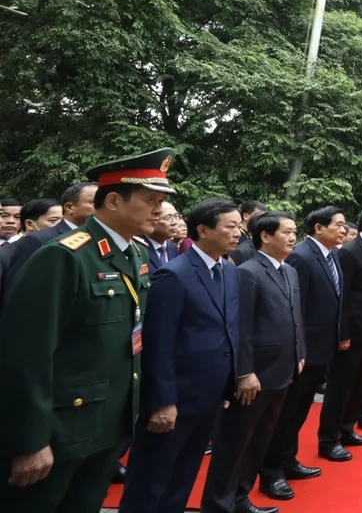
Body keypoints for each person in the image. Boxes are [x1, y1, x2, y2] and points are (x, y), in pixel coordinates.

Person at [0, 150, 171, 513]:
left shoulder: (136, 254)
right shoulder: (64, 256)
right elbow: (25, 355)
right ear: (112, 201)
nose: (159, 210)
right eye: (151, 200)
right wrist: (29, 441)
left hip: (108, 425)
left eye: (161, 202)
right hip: (60, 432)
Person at [120, 197, 242, 513]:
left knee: (182, 478)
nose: (238, 233)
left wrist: (228, 383)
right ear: (202, 229)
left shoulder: (228, 270)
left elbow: (228, 330)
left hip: (209, 396)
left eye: (239, 226)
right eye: (230, 226)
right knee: (150, 482)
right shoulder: (175, 275)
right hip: (174, 401)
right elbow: (159, 344)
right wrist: (162, 401)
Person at [201, 211, 304, 513]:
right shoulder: (248, 272)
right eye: (286, 232)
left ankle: (240, 498)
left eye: (295, 232)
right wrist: (245, 371)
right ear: (265, 236)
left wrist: (300, 352)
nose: (293, 237)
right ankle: (218, 504)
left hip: (282, 369)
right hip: (256, 374)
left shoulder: (290, 270)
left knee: (260, 439)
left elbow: (296, 317)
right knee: (235, 443)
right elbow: (240, 327)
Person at [258, 206, 344, 501]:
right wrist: (300, 351)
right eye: (338, 225)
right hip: (301, 353)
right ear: (319, 228)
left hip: (320, 350)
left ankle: (288, 459)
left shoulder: (329, 255)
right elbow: (297, 311)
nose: (343, 230)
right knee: (284, 415)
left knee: (299, 412)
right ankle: (271, 471)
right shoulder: (303, 257)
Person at [319, 206, 362, 457]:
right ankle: (329, 439)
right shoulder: (350, 252)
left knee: (360, 383)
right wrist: (344, 334)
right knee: (341, 387)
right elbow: (343, 296)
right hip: (353, 334)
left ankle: (347, 429)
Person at [0, 182, 96, 299]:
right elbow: (21, 292)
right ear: (69, 207)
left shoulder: (97, 238)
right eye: (94, 202)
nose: (102, 207)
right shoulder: (39, 240)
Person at [143, 200, 181, 272]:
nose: (175, 222)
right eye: (168, 218)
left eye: (176, 216)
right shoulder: (138, 248)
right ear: (152, 220)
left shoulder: (173, 248)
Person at [231, 200, 267, 266]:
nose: (262, 220)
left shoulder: (255, 237)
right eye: (258, 216)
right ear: (245, 216)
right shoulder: (235, 237)